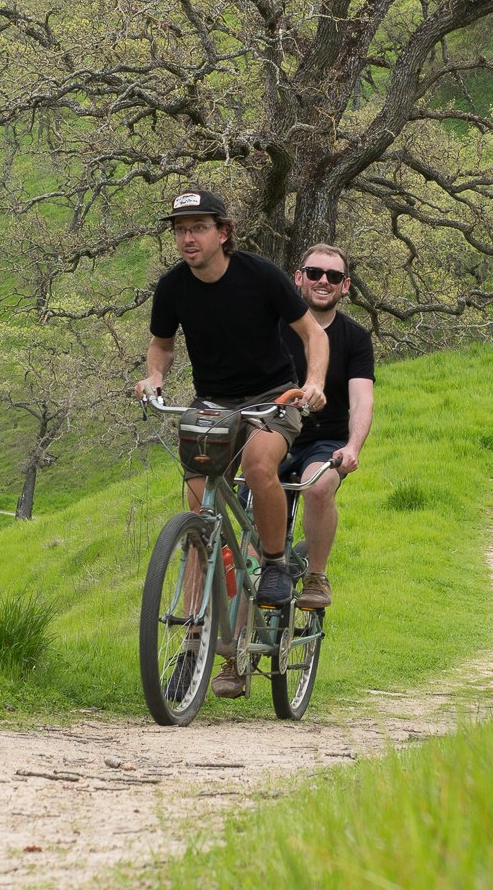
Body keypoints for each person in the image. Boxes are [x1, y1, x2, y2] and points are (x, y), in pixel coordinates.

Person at [134, 190, 330, 697]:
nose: (187, 237)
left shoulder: (260, 276)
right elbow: (161, 345)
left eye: (198, 227)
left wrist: (313, 383)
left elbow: (314, 335)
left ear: (223, 233)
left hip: (273, 396)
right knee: (197, 512)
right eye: (179, 229)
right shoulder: (172, 287)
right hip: (214, 402)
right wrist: (154, 378)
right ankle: (195, 642)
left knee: (262, 465)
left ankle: (272, 564)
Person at [279, 243, 376, 611]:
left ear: (345, 285)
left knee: (318, 486)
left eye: (333, 276)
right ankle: (234, 660)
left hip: (324, 441)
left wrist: (352, 447)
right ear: (298, 278)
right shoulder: (275, 328)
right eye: (315, 273)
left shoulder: (355, 338)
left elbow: (362, 398)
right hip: (273, 437)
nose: (323, 281)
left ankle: (316, 576)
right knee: (251, 559)